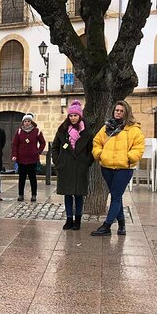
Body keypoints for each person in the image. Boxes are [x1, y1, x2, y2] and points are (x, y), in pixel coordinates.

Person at [91, 100, 145, 236]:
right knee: (117, 196)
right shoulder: (106, 128)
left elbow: (139, 147)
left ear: (126, 112)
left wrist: (129, 158)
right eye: (116, 110)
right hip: (107, 167)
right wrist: (100, 154)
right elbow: (97, 142)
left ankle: (107, 226)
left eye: (121, 111)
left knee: (115, 196)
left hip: (124, 169)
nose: (118, 113)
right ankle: (122, 225)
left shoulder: (133, 130)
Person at [51, 100, 94, 230]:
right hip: (65, 167)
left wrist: (87, 162)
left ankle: (78, 220)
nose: (73, 118)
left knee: (79, 195)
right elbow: (55, 147)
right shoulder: (62, 130)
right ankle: (69, 219)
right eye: (71, 115)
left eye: (75, 115)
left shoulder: (87, 132)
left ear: (80, 116)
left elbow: (92, 150)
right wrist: (57, 161)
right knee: (68, 194)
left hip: (80, 167)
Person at [11, 113, 46, 202]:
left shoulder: (36, 131)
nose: (27, 123)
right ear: (23, 122)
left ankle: (34, 195)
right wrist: (14, 155)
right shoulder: (19, 131)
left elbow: (43, 143)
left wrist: (38, 151)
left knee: (32, 178)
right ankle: (21, 194)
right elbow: (15, 145)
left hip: (32, 159)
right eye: (25, 121)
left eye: (28, 121)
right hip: (21, 159)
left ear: (31, 122)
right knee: (21, 178)